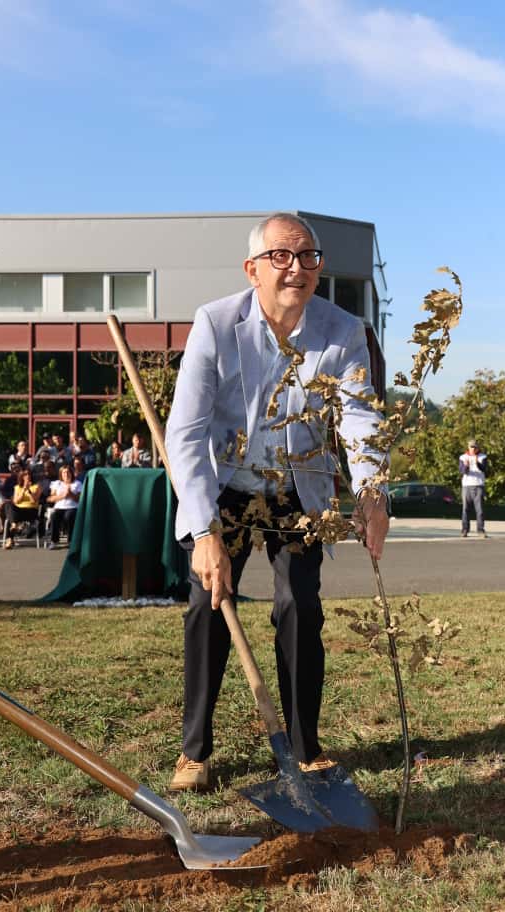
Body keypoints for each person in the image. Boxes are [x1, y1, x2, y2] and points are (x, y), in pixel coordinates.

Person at [165, 212, 390, 790]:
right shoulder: (216, 324)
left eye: (308, 256)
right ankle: (195, 751)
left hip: (297, 485)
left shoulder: (344, 331)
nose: (296, 268)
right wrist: (204, 533)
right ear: (253, 269)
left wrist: (371, 491)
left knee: (300, 608)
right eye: (281, 256)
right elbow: (185, 432)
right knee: (208, 605)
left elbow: (359, 419)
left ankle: (304, 746)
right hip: (225, 486)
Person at [3, 467, 41, 549]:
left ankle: (10, 537)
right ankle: (13, 527)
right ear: (22, 477)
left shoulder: (36, 486)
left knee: (10, 520)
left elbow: (34, 501)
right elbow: (16, 501)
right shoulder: (17, 487)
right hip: (19, 511)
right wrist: (23, 489)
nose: (28, 476)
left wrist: (29, 491)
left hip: (31, 511)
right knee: (8, 504)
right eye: (25, 475)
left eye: (29, 474)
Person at [47, 465, 82, 549]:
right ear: (61, 474)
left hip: (72, 507)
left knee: (69, 516)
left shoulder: (77, 483)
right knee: (54, 516)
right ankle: (54, 541)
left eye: (68, 472)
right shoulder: (57, 483)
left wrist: (70, 494)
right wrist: (63, 496)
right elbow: (50, 499)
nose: (66, 474)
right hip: (59, 507)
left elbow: (79, 499)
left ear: (71, 473)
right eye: (64, 472)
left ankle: (71, 541)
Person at [459, 439, 488, 538]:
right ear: (468, 447)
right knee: (465, 509)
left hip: (478, 485)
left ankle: (480, 530)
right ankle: (464, 530)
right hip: (466, 486)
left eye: (475, 447)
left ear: (477, 448)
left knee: (480, 510)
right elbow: (462, 471)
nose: (473, 449)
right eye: (471, 447)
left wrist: (477, 463)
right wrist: (466, 466)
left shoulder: (482, 457)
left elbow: (484, 469)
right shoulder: (463, 457)